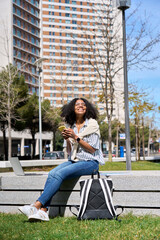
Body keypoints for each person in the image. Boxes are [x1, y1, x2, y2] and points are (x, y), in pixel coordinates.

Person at [18, 98, 104, 221]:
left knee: (59, 173)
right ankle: (43, 211)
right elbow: (69, 152)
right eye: (77, 104)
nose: (81, 106)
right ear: (72, 109)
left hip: (90, 163)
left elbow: (92, 150)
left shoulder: (92, 125)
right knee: (52, 173)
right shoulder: (71, 126)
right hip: (74, 160)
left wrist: (76, 138)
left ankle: (36, 206)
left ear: (87, 108)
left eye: (83, 104)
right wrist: (67, 139)